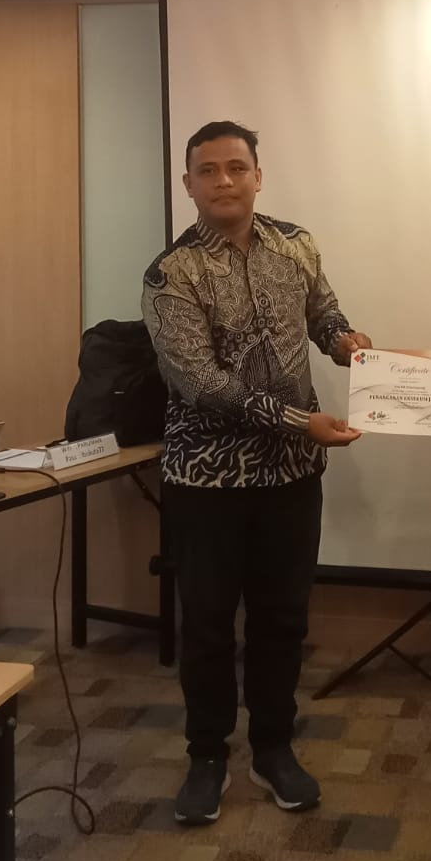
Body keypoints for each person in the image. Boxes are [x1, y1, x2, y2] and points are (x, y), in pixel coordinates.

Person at [142, 120, 370, 825]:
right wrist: (303, 421)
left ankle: (273, 748)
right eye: (208, 171)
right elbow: (203, 385)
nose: (224, 181)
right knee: (209, 625)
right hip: (207, 481)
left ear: (258, 176)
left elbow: (323, 313)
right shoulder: (170, 274)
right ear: (188, 184)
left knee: (282, 619)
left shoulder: (296, 245)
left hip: (291, 477)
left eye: (236, 168)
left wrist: (346, 343)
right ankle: (207, 755)